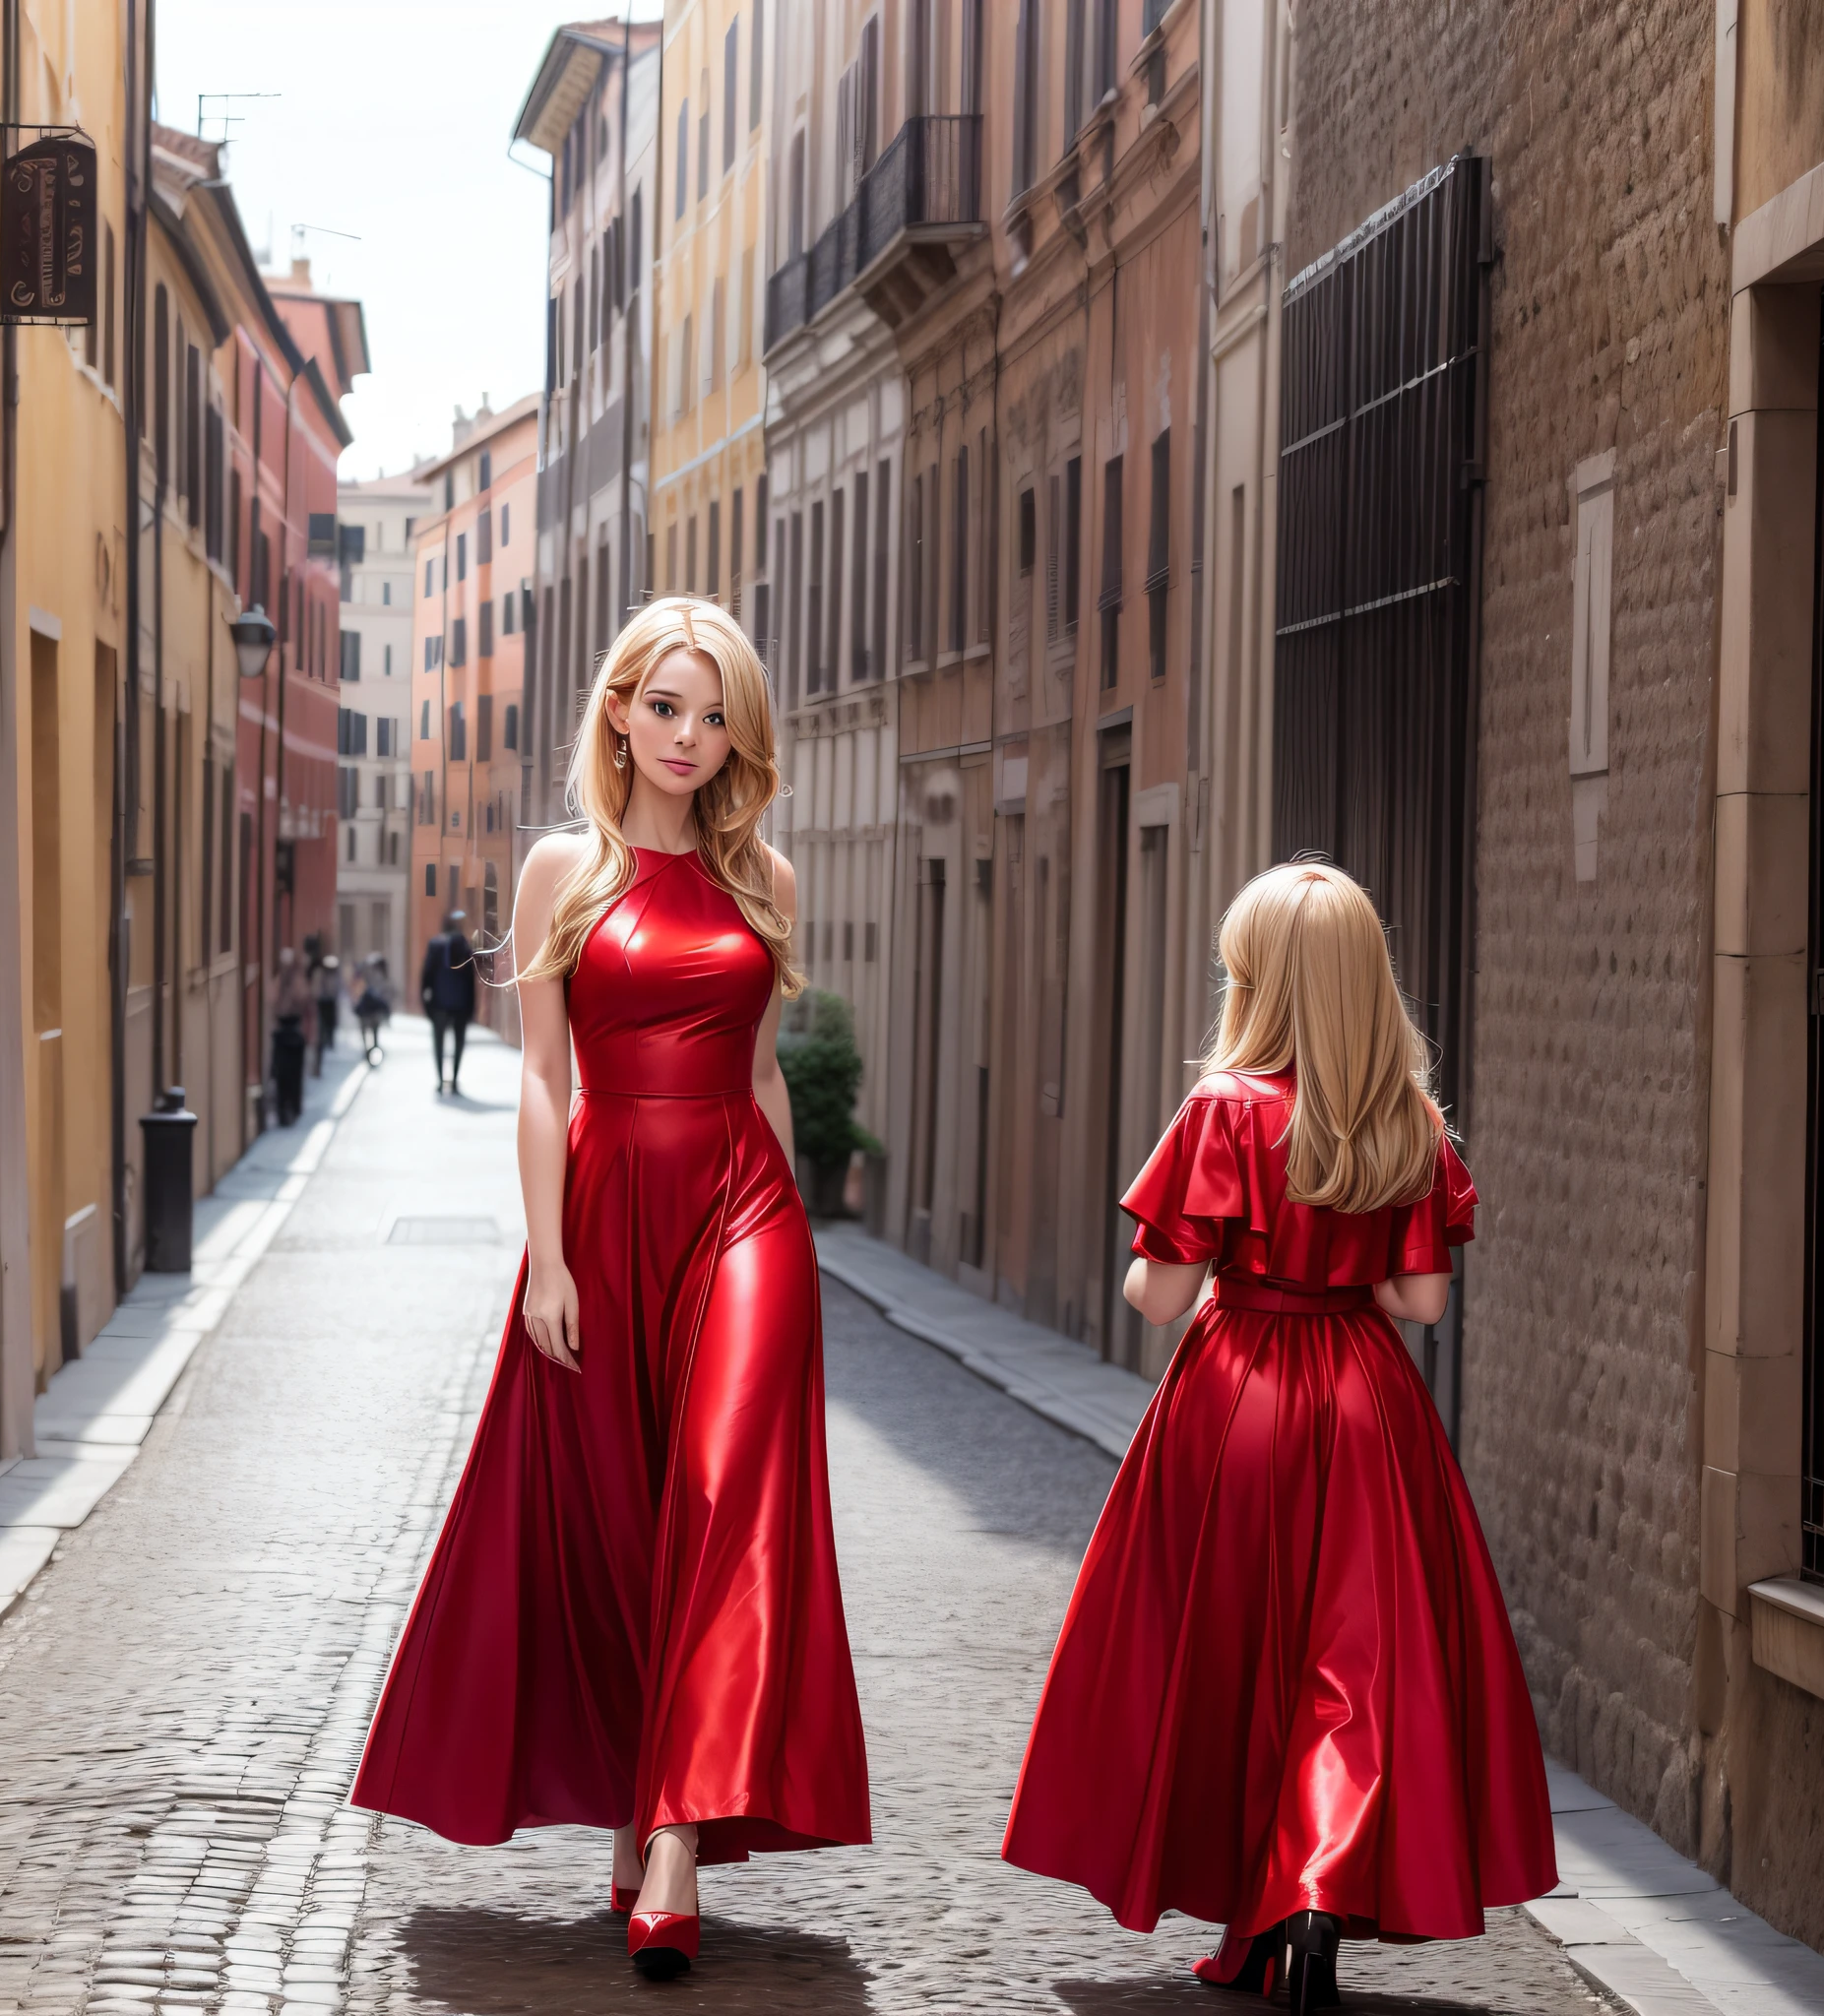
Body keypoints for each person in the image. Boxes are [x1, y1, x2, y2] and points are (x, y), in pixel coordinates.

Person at [350, 598, 869, 1982]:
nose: (692, 739)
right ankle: (641, 1800)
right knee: (613, 1524)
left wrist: (797, 1223)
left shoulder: (767, 878)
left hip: (744, 1214)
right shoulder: (561, 876)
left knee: (721, 1504)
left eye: (717, 717)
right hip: (602, 1212)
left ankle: (678, 1843)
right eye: (670, 710)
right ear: (620, 712)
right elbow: (540, 1074)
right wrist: (550, 1256)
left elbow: (760, 1070)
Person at [1001, 862, 1555, 2013]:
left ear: (1258, 979)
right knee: (1346, 1666)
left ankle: (1265, 1899)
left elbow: (1157, 1296)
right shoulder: (1406, 1116)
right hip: (1364, 1402)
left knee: (1226, 1653)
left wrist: (1171, 1255)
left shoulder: (1223, 1108)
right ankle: (1305, 1891)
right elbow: (1421, 1305)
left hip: (1237, 1392)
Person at [419, 910, 475, 1094]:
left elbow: (426, 975)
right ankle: (455, 1080)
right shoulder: (465, 945)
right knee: (459, 1041)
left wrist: (425, 1000)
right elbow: (470, 979)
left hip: (438, 1003)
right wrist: (471, 1005)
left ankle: (439, 1080)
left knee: (439, 1042)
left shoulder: (435, 944)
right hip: (461, 1003)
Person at [269, 947, 310, 1126]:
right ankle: (281, 1110)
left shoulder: (298, 981)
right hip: (281, 1033)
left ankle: (294, 1107)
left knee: (294, 1074)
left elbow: (303, 1001)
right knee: (281, 1074)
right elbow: (273, 1002)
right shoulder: (278, 982)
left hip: (294, 1031)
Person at [355, 956, 392, 1066]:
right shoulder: (368, 975)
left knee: (371, 1032)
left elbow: (385, 993)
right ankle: (370, 1052)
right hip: (368, 1009)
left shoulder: (376, 976)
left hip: (372, 1010)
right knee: (372, 1032)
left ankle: (371, 1052)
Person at [313, 952, 342, 1072]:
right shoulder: (320, 974)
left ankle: (330, 1040)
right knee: (321, 1030)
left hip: (331, 1003)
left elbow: (339, 987)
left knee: (331, 1025)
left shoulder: (335, 975)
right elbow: (316, 989)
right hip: (321, 1004)